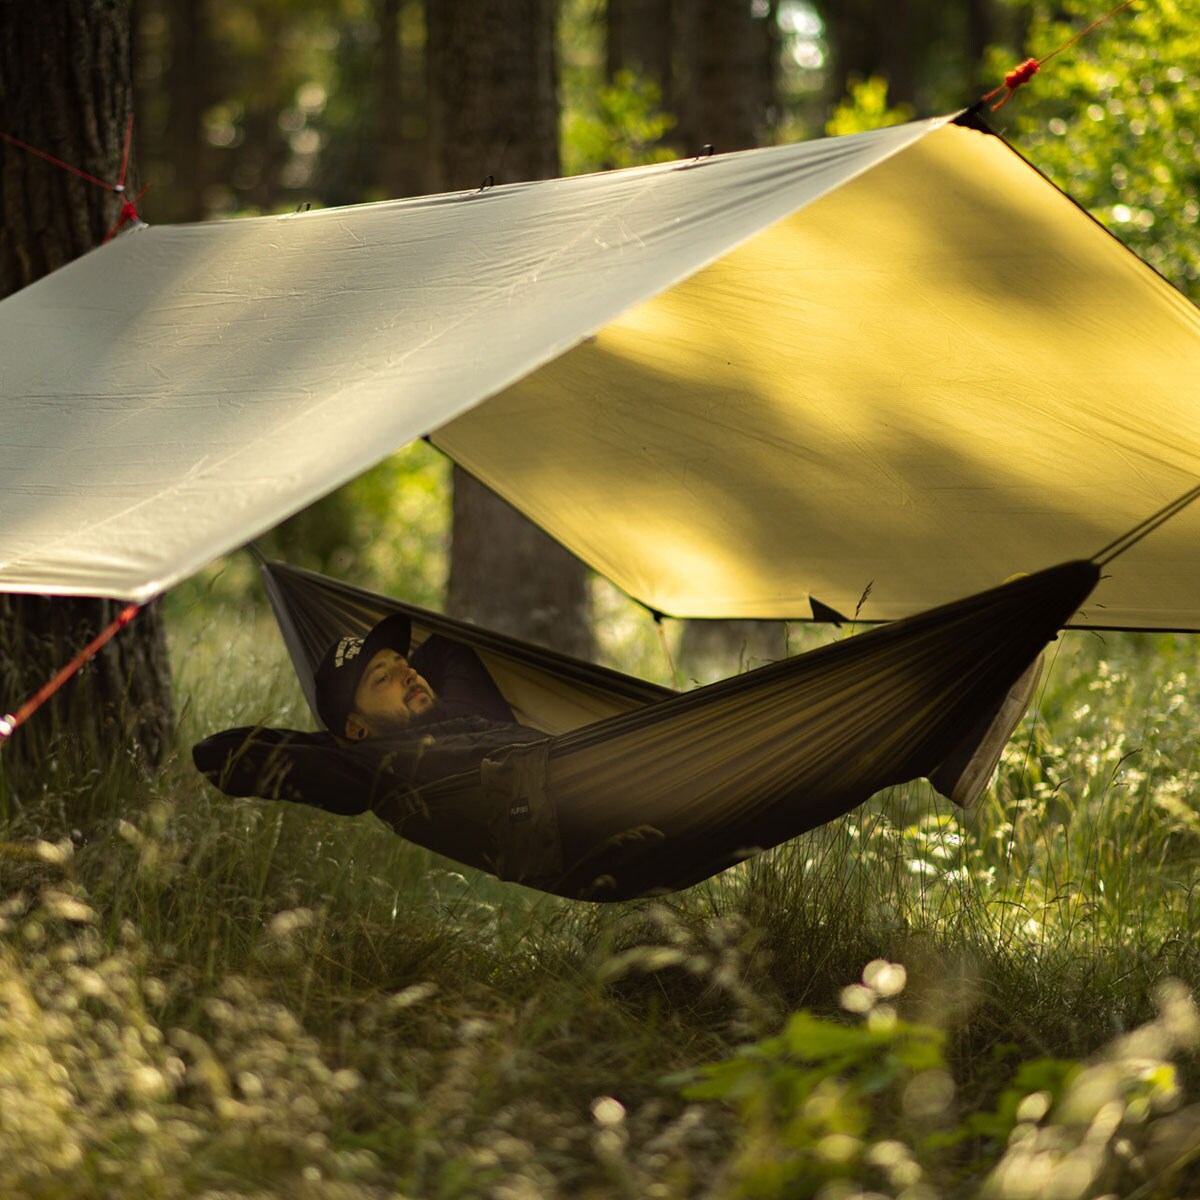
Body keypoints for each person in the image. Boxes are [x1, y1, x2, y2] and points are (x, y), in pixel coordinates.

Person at [192, 613, 546, 816]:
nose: (409, 674)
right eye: (382, 678)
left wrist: (402, 687)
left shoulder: (462, 706)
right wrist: (339, 742)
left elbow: (444, 646)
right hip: (558, 794)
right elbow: (215, 754)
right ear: (357, 728)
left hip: (571, 756)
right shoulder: (384, 769)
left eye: (404, 665)